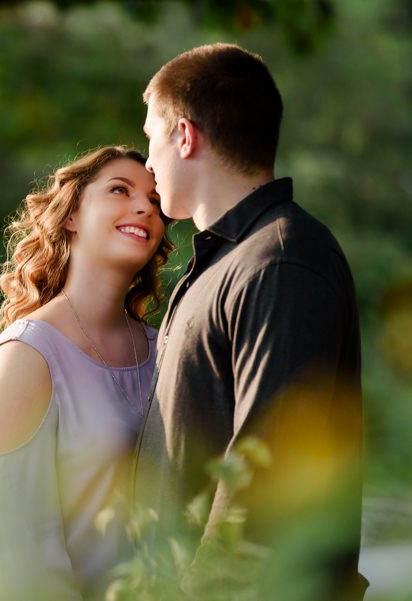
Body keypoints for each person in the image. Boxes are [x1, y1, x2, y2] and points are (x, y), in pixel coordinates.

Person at [133, 43, 367, 599]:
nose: (147, 165)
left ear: (184, 136)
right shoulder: (225, 262)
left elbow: (265, 476)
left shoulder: (282, 261)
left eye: (150, 138)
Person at [0, 145, 173, 601]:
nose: (145, 207)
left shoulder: (168, 348)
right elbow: (19, 569)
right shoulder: (24, 358)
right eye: (119, 190)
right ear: (71, 217)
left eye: (156, 201)